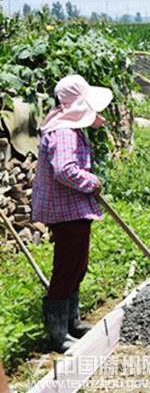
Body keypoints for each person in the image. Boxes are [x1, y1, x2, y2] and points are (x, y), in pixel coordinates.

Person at [31, 75, 113, 352]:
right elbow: (65, 170)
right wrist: (92, 182)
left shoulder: (69, 128)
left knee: (78, 265)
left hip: (74, 209)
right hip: (66, 212)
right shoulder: (64, 132)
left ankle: (72, 322)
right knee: (66, 269)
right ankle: (58, 334)